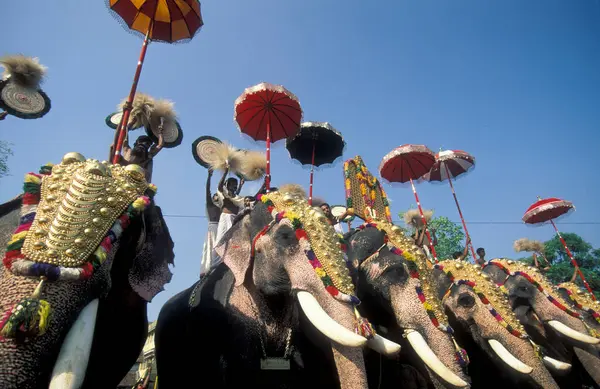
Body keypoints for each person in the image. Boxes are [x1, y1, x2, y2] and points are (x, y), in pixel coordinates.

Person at [199, 169, 222, 278]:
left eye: (218, 195)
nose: (216, 196)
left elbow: (232, 199)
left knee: (220, 248)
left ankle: (219, 267)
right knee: (210, 247)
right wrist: (209, 176)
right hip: (212, 228)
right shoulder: (210, 205)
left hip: (221, 228)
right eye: (215, 195)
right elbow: (207, 190)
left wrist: (241, 185)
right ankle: (207, 269)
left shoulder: (222, 208)